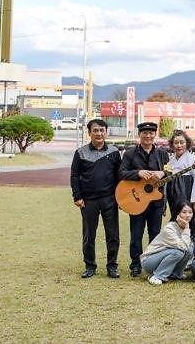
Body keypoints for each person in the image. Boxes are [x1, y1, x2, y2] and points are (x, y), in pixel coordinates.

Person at [70, 118, 122, 278]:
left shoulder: (114, 152)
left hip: (109, 199)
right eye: (95, 130)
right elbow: (75, 175)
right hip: (88, 200)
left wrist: (120, 198)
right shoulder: (80, 152)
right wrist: (77, 196)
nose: (99, 134)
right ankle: (90, 266)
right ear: (89, 133)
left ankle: (112, 266)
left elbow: (120, 177)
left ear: (106, 132)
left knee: (113, 235)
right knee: (89, 235)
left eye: (102, 130)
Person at [119, 121, 171, 277]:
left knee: (155, 234)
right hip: (136, 200)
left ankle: (153, 263)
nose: (148, 136)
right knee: (136, 234)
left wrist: (163, 173)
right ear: (139, 135)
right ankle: (135, 264)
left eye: (151, 133)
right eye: (144, 133)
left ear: (155, 134)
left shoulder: (162, 154)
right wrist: (138, 173)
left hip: (156, 201)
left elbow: (169, 172)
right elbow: (121, 173)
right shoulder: (129, 154)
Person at [140, 201, 195, 285]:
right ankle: (157, 276)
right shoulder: (170, 228)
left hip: (165, 255)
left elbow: (187, 248)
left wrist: (186, 228)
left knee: (190, 249)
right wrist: (187, 229)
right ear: (177, 214)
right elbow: (183, 247)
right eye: (184, 212)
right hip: (149, 261)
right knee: (178, 252)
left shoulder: (184, 226)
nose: (188, 215)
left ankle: (176, 274)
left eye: (190, 212)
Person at [165, 130, 195, 235]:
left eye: (182, 142)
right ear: (172, 144)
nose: (179, 145)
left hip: (188, 191)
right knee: (177, 219)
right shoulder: (170, 160)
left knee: (192, 221)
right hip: (173, 194)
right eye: (176, 142)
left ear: (187, 143)